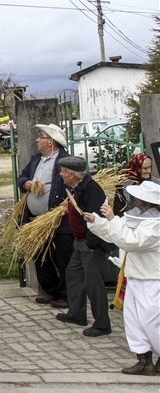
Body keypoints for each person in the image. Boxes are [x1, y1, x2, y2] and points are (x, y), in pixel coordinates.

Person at [85, 181, 160, 375]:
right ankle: (144, 360)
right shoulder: (136, 219)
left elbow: (130, 241)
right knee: (133, 320)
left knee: (150, 321)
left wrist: (111, 218)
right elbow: (115, 234)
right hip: (134, 276)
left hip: (153, 279)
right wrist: (96, 221)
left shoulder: (156, 226)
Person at [54, 156, 115, 337]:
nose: (61, 174)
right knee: (72, 274)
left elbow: (98, 220)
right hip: (80, 242)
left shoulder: (92, 190)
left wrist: (91, 244)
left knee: (94, 284)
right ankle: (77, 313)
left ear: (72, 174)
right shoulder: (78, 187)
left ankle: (102, 324)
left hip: (90, 245)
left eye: (63, 171)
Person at [16, 124, 72, 307]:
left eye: (41, 137)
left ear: (51, 141)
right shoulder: (36, 160)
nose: (37, 140)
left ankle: (66, 295)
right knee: (40, 255)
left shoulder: (64, 160)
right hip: (36, 219)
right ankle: (50, 290)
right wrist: (26, 184)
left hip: (56, 218)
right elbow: (21, 177)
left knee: (62, 257)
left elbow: (73, 185)